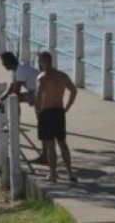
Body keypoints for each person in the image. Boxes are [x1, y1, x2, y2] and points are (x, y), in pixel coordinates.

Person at [33, 51, 78, 183]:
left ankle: (53, 173)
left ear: (42, 63)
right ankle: (70, 172)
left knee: (50, 144)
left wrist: (37, 111)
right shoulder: (62, 76)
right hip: (59, 111)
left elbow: (38, 96)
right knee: (62, 142)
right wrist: (67, 107)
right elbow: (74, 90)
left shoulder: (42, 77)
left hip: (47, 112)